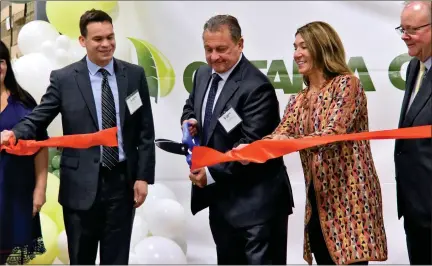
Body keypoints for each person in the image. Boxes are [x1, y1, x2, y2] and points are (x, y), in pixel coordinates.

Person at [0, 9, 155, 265]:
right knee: (80, 259)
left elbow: (145, 131)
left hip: (122, 183)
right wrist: (15, 133)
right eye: (98, 39)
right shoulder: (64, 79)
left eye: (110, 36)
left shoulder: (134, 75)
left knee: (116, 259)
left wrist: (143, 176)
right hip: (79, 187)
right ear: (82, 41)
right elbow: (40, 117)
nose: (106, 44)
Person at [237, 21, 388, 265]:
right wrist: (252, 150)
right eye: (295, 47)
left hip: (351, 206)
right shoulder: (299, 99)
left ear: (322, 48)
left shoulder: (347, 85)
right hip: (319, 206)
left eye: (303, 47)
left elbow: (332, 133)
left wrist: (287, 141)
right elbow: (280, 133)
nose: (296, 54)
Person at [181, 14, 294, 265]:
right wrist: (190, 122)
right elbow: (191, 106)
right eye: (208, 50)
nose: (214, 57)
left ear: (240, 44)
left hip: (258, 208)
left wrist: (209, 174)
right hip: (222, 205)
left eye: (221, 49)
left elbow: (250, 146)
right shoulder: (202, 75)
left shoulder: (257, 87)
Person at [0, 41, 48, 265]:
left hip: (18, 193)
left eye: (0, 61)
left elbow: (40, 145)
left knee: (15, 257)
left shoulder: (24, 101)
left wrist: (40, 188)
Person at [394, 1, 431, 264]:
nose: (405, 36)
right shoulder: (413, 67)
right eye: (402, 29)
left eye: (412, 29)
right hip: (414, 206)